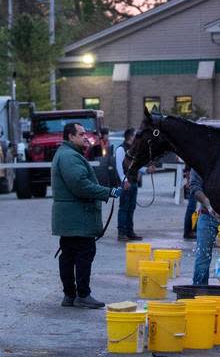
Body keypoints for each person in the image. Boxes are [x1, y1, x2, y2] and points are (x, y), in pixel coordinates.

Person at [52, 122, 121, 308]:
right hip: (78, 218)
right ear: (70, 136)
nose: (86, 137)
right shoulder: (70, 157)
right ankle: (82, 295)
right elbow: (80, 185)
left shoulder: (68, 155)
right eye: (81, 134)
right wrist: (108, 192)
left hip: (71, 218)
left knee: (68, 255)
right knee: (83, 254)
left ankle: (70, 295)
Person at [114, 128, 144, 241]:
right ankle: (121, 233)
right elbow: (119, 166)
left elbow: (136, 165)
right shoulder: (121, 149)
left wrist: (144, 171)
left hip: (133, 182)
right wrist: (124, 180)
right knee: (124, 208)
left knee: (131, 208)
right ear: (130, 137)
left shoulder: (133, 149)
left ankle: (129, 231)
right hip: (126, 183)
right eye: (135, 136)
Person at [182, 165, 197, 239]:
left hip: (196, 180)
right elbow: (188, 168)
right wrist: (188, 182)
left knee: (193, 207)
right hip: (194, 182)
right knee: (191, 207)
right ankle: (188, 232)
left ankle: (193, 230)